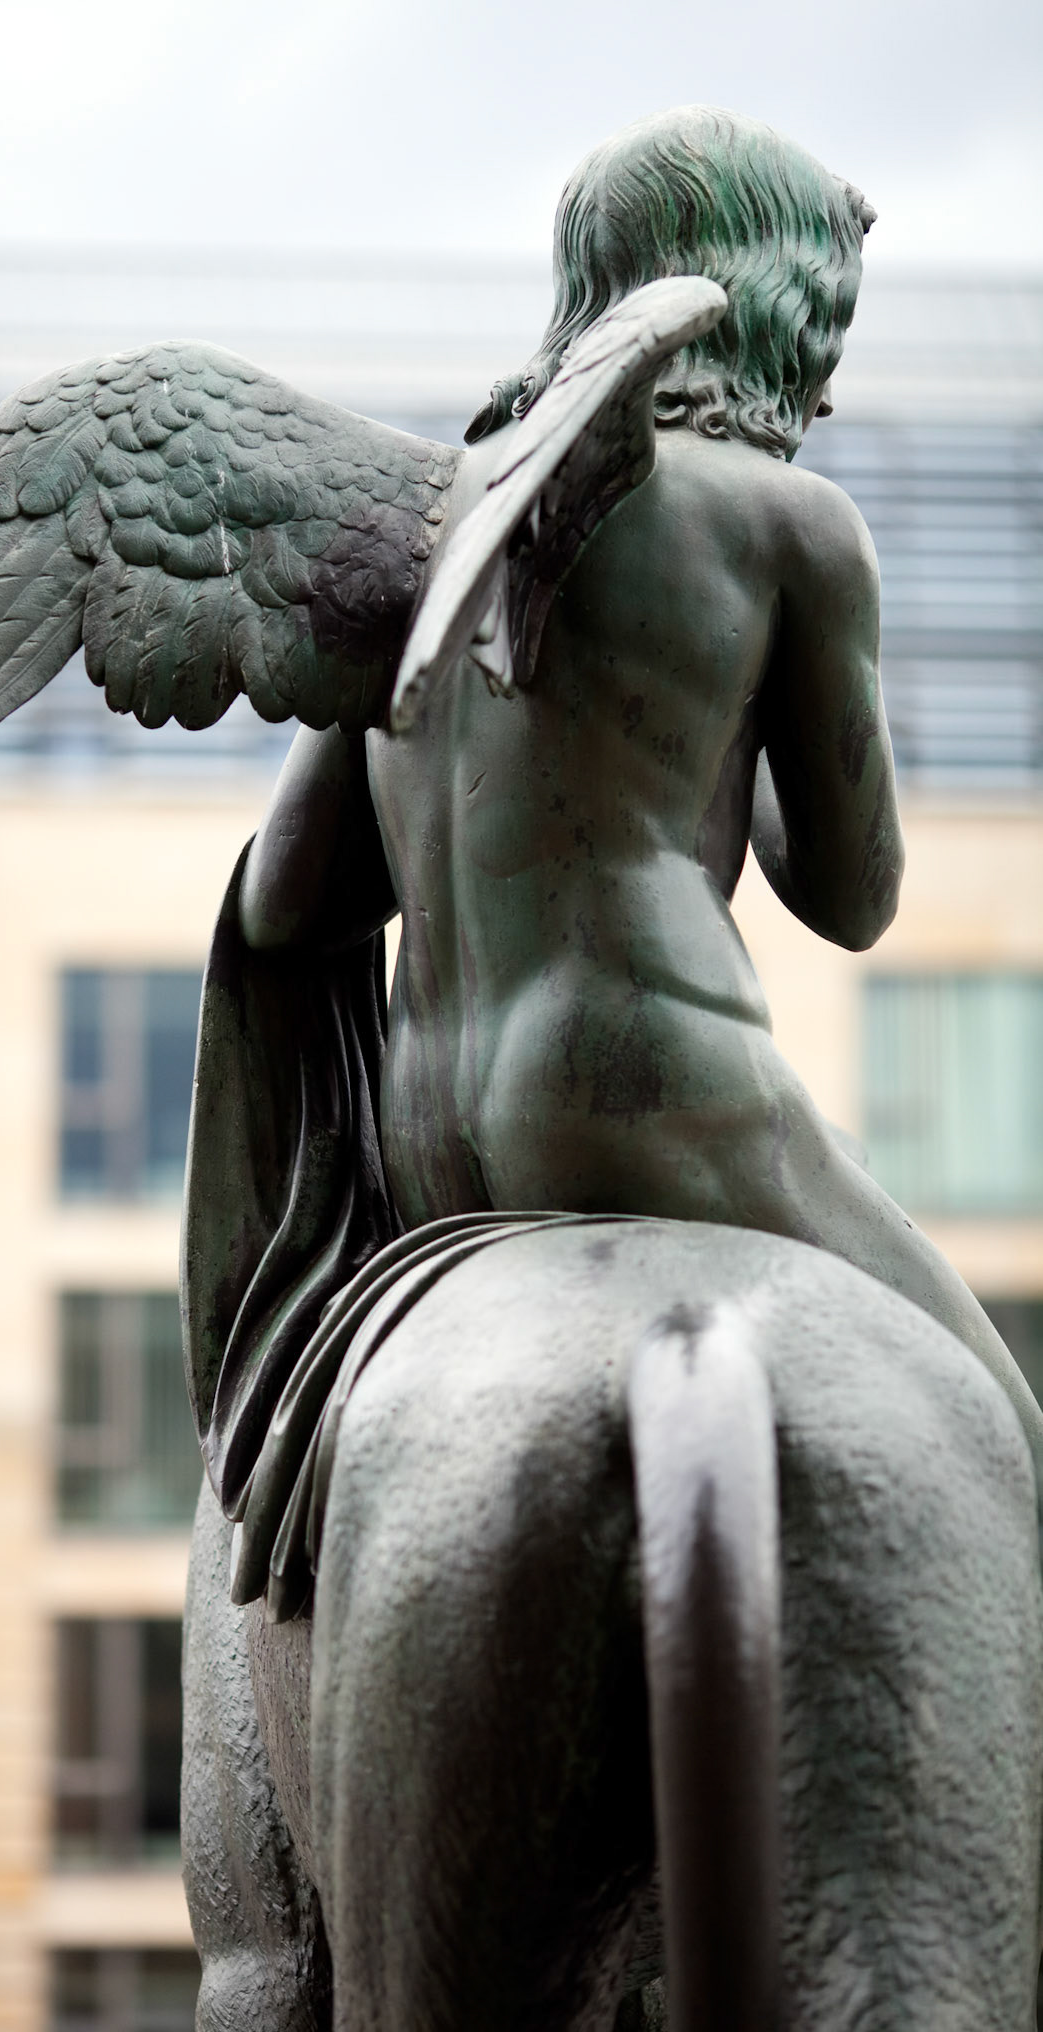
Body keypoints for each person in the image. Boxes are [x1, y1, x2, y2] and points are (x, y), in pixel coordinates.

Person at [236, 105, 1043, 1464]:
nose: (828, 391)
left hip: (430, 1143)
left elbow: (281, 902)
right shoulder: (789, 524)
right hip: (656, 1093)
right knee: (1000, 1440)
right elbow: (854, 902)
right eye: (819, 332)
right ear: (760, 307)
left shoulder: (421, 523)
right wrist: (771, 711)